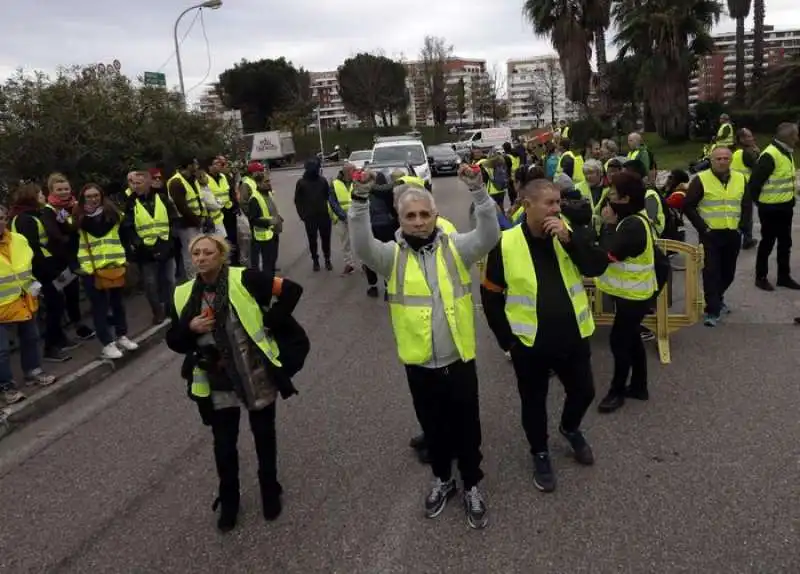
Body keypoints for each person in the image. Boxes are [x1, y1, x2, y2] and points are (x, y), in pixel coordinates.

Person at [349, 165, 500, 530]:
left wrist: (479, 193)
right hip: (419, 364)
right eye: (410, 215)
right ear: (400, 219)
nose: (418, 222)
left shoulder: (457, 249)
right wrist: (358, 201)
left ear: (435, 216)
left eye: (424, 214)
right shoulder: (390, 256)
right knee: (433, 428)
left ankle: (472, 483)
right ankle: (442, 478)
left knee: (468, 427)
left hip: (459, 359)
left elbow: (489, 235)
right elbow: (361, 245)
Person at [166, 234, 305, 532]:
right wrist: (189, 328)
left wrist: (270, 322)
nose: (202, 258)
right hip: (216, 379)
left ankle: (270, 491)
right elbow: (174, 341)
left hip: (254, 373)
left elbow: (292, 290)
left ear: (221, 255)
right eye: (197, 254)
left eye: (208, 253)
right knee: (224, 445)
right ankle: (229, 502)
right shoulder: (183, 294)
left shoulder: (246, 278)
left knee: (263, 436)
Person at [481, 179, 608, 492]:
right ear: (527, 205)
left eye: (558, 202)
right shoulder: (506, 242)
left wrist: (569, 240)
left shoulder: (569, 233)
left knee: (584, 391)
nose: (556, 209)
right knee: (534, 402)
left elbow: (595, 267)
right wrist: (507, 341)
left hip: (573, 335)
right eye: (549, 203)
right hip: (530, 343)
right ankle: (539, 451)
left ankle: (570, 427)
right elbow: (491, 295)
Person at [595, 172, 658, 413]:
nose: (608, 199)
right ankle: (639, 386)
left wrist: (607, 226)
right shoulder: (633, 219)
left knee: (619, 342)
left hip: (633, 296)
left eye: (612, 194)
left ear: (625, 198)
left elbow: (608, 254)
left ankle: (617, 391)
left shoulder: (630, 225)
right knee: (631, 340)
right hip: (633, 294)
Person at [682, 147, 750, 326]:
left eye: (726, 158)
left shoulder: (740, 178)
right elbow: (688, 205)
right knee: (711, 272)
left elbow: (746, 204)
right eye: (718, 158)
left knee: (728, 273)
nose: (722, 161)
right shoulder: (701, 179)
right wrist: (703, 228)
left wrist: (742, 227)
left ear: (730, 160)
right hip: (710, 235)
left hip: (732, 233)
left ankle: (717, 298)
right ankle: (712, 310)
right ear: (711, 161)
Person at [73, 184, 139, 359]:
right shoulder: (77, 219)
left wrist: (128, 260)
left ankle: (121, 335)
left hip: (115, 265)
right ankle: (107, 343)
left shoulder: (114, 215)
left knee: (118, 304)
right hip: (91, 269)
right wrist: (77, 267)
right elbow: (70, 245)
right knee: (99, 307)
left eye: (96, 195)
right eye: (89, 196)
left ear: (101, 196)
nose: (93, 199)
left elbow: (125, 238)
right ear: (83, 198)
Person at [0, 204, 56, 405]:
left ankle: (33, 372)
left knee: (31, 338)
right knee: (2, 350)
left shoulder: (19, 240)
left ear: (6, 219)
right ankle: (6, 387)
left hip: (23, 298)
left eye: (1, 218)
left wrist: (33, 282)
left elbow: (25, 265)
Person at [40, 173, 96, 345]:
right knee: (58, 300)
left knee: (73, 295)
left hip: (76, 255)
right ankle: (58, 336)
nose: (63, 192)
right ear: (51, 191)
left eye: (66, 188)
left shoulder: (73, 206)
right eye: (59, 189)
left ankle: (79, 326)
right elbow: (56, 234)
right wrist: (70, 234)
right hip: (59, 260)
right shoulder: (49, 210)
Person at [122, 170, 179, 324]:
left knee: (169, 280)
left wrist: (170, 241)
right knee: (150, 283)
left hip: (166, 245)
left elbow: (173, 219)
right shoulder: (130, 203)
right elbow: (128, 227)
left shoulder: (162, 198)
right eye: (133, 183)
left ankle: (171, 308)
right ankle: (158, 312)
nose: (135, 186)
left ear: (148, 183)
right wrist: (139, 245)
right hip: (145, 251)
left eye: (139, 183)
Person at [749, 122, 800, 291]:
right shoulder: (769, 155)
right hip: (770, 209)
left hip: (785, 207)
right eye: (796, 135)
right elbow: (754, 184)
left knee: (785, 243)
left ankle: (783, 277)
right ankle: (760, 276)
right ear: (789, 137)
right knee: (768, 242)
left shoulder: (786, 152)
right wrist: (763, 203)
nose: (797, 138)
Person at [361, 172, 398, 300]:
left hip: (370, 227)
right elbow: (394, 209)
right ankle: (388, 287)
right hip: (388, 226)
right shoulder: (387, 192)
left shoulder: (364, 192)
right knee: (388, 256)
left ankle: (373, 286)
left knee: (370, 257)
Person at [167, 158, 206, 281]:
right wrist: (198, 221)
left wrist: (203, 217)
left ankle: (200, 278)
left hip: (195, 221)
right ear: (188, 165)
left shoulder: (192, 179)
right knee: (190, 253)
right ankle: (193, 281)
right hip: (185, 224)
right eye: (195, 163)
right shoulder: (176, 182)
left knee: (198, 251)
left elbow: (198, 200)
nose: (197, 165)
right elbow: (182, 207)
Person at [242, 163, 281, 278]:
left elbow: (271, 209)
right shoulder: (255, 198)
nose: (269, 184)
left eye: (269, 181)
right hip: (263, 236)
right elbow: (253, 219)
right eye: (266, 182)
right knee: (265, 263)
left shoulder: (268, 193)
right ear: (259, 183)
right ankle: (265, 283)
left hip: (273, 232)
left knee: (271, 261)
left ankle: (270, 279)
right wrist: (269, 222)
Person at [294, 159, 333, 272]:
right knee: (312, 240)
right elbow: (298, 200)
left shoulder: (322, 181)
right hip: (310, 217)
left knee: (326, 239)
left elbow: (328, 196)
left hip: (324, 215)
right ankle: (315, 260)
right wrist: (303, 215)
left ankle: (327, 259)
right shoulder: (301, 183)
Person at [730, 129, 759, 249]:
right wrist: (757, 153)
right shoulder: (746, 154)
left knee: (737, 215)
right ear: (741, 139)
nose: (752, 138)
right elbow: (758, 168)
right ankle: (747, 240)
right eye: (749, 136)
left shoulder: (735, 153)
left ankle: (733, 239)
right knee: (746, 216)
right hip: (745, 188)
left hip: (734, 187)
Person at [329, 163, 357, 275]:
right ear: (347, 172)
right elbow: (332, 202)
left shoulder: (356, 182)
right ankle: (349, 264)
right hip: (341, 218)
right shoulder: (334, 184)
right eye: (353, 171)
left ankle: (365, 264)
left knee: (360, 241)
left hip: (356, 216)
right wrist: (343, 216)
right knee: (345, 242)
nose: (355, 173)